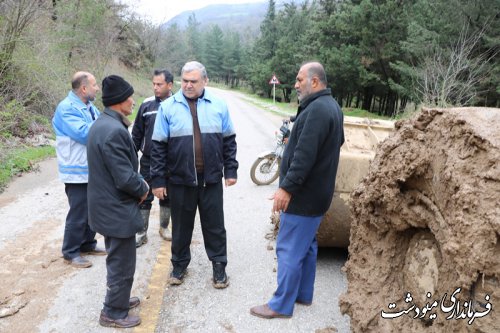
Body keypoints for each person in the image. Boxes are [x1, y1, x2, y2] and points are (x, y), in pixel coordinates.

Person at [250, 62, 345, 319]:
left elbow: (304, 157)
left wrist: (286, 189)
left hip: (304, 196)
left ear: (315, 82)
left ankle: (280, 305)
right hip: (319, 194)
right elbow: (334, 143)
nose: (295, 84)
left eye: (299, 79)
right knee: (308, 244)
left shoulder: (317, 110)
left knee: (289, 247)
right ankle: (303, 293)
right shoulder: (331, 107)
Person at [150, 61, 238, 289]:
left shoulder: (219, 105)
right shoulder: (168, 107)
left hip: (210, 180)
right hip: (179, 180)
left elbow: (229, 140)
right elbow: (158, 147)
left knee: (215, 226)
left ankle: (219, 267)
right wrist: (158, 180)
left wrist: (230, 170)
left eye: (193, 81)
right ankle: (179, 265)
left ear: (205, 81)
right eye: (185, 81)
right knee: (181, 226)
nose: (188, 85)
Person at [87, 75, 149, 328]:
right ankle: (112, 311)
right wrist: (142, 187)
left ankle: (120, 299)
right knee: (121, 263)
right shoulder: (112, 131)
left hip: (108, 205)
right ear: (118, 102)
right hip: (115, 208)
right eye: (129, 98)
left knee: (119, 258)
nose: (133, 101)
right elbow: (124, 177)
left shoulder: (104, 124)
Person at [52, 71, 106, 268]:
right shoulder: (66, 108)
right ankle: (71, 251)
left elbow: (100, 125)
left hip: (90, 169)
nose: (97, 88)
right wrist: (105, 127)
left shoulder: (89, 106)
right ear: (84, 88)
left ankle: (88, 244)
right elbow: (86, 134)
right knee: (79, 212)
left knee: (92, 209)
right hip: (75, 171)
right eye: (94, 85)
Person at [132, 69, 174, 247]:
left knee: (167, 195)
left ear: (169, 85)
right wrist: (131, 159)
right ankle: (141, 232)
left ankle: (164, 227)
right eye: (154, 84)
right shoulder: (146, 105)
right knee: (144, 194)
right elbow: (136, 135)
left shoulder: (178, 105)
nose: (155, 88)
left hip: (171, 161)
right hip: (148, 160)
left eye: (159, 84)